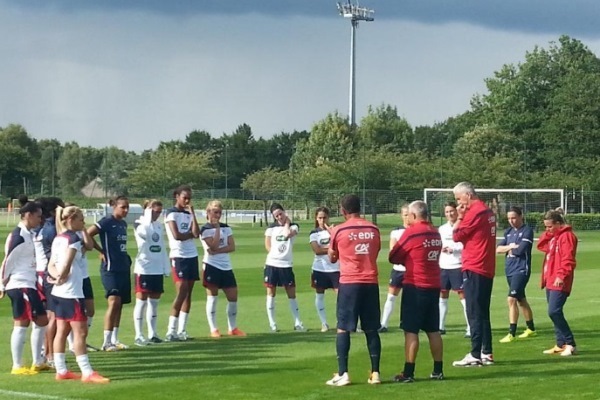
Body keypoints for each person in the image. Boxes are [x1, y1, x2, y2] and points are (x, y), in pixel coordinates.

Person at [325, 194, 382, 386]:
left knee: (343, 328)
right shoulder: (374, 228)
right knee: (371, 328)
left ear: (343, 210)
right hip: (370, 281)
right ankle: (375, 373)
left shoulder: (339, 230)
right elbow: (374, 252)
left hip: (349, 282)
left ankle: (343, 373)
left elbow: (332, 258)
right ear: (360, 208)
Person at [48, 205, 109, 383]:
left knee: (62, 331)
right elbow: (66, 263)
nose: (84, 223)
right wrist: (62, 276)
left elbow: (51, 264)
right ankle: (87, 372)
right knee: (80, 332)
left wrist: (56, 278)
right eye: (81, 220)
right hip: (71, 292)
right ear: (71, 220)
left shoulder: (58, 238)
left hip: (58, 292)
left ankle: (61, 370)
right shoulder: (73, 238)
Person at [389, 200, 444, 383]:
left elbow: (394, 255)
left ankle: (408, 372)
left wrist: (408, 259)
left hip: (415, 285)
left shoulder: (412, 232)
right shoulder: (435, 232)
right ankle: (438, 370)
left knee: (411, 330)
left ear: (413, 215)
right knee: (433, 329)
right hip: (434, 284)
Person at [451, 182, 496, 367]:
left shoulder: (474, 213)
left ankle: (475, 353)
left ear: (467, 195)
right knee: (483, 312)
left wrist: (460, 217)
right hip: (486, 267)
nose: (458, 203)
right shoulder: (487, 211)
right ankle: (487, 351)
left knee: (474, 311)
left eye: (458, 198)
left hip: (475, 266)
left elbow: (456, 235)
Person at [0, 201, 48, 375]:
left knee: (41, 320)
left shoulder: (29, 234)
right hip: (20, 285)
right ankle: (17, 365)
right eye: (38, 216)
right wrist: (1, 284)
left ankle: (37, 361)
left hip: (29, 284)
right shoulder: (19, 235)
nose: (40, 219)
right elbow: (7, 261)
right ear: (28, 215)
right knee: (22, 323)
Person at [88, 196, 131, 351]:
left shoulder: (123, 224)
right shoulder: (106, 222)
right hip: (110, 268)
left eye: (127, 207)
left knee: (120, 304)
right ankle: (106, 341)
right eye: (122, 207)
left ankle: (115, 338)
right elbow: (87, 234)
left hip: (123, 267)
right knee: (113, 301)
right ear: (114, 206)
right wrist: (101, 251)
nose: (125, 210)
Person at [200, 200, 245, 337]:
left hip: (226, 266)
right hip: (211, 266)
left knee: (233, 297)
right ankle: (214, 329)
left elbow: (232, 247)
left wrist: (218, 250)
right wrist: (217, 229)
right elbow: (212, 246)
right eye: (215, 212)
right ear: (208, 212)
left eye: (220, 212)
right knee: (212, 298)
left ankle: (232, 327)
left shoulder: (227, 228)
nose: (218, 215)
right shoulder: (205, 229)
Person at [538, 210, 578, 356]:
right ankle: (560, 343)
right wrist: (549, 233)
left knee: (554, 311)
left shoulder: (566, 237)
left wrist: (561, 276)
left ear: (558, 224)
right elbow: (542, 245)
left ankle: (570, 343)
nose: (547, 230)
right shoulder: (555, 237)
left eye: (549, 226)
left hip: (559, 280)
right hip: (550, 279)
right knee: (554, 312)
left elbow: (568, 260)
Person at [164, 186, 200, 341]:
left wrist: (192, 214)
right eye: (184, 197)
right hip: (179, 256)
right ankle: (170, 330)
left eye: (189, 198)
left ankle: (182, 330)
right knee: (181, 291)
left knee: (188, 293)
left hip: (192, 255)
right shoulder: (171, 213)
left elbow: (196, 233)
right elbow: (177, 235)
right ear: (177, 196)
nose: (187, 201)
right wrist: (189, 234)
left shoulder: (188, 213)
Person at [496, 206, 536, 343]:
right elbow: (498, 249)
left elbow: (521, 250)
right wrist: (510, 247)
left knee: (511, 299)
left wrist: (511, 249)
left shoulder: (527, 231)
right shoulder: (508, 232)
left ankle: (511, 333)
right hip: (510, 270)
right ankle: (531, 329)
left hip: (521, 270)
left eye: (513, 217)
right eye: (509, 218)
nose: (511, 221)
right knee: (521, 299)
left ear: (520, 216)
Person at [132, 200, 170, 346]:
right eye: (154, 211)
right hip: (144, 268)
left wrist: (165, 267)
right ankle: (139, 335)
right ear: (147, 210)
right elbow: (144, 235)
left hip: (156, 268)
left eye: (159, 212)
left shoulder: (159, 226)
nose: (157, 214)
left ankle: (153, 333)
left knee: (154, 303)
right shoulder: (139, 223)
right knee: (141, 302)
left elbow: (161, 247)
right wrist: (147, 215)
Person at [264, 203, 305, 332]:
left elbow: (287, 235)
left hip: (286, 265)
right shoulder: (271, 229)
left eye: (280, 214)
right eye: (276, 216)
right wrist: (276, 254)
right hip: (272, 264)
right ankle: (272, 324)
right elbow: (268, 246)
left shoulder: (294, 226)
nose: (279, 217)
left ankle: (298, 322)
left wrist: (287, 223)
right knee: (271, 293)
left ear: (284, 212)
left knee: (291, 293)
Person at [438, 202, 470, 337]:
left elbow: (467, 245)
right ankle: (440, 326)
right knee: (442, 296)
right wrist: (442, 248)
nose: (450, 214)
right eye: (447, 212)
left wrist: (454, 249)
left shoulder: (463, 226)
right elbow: (438, 243)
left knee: (463, 298)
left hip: (458, 265)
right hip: (444, 266)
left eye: (451, 211)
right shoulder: (442, 228)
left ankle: (470, 327)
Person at [309, 207, 340, 333]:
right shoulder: (314, 233)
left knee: (341, 296)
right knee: (320, 295)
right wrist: (331, 250)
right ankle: (324, 323)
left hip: (335, 269)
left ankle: (341, 322)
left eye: (324, 217)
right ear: (316, 219)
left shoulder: (334, 231)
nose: (322, 220)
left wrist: (332, 234)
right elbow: (317, 250)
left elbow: (341, 246)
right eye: (320, 218)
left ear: (328, 217)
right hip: (319, 269)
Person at [379, 204, 409, 333]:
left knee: (410, 299)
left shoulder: (416, 231)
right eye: (405, 214)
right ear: (401, 215)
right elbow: (393, 250)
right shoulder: (396, 231)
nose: (407, 217)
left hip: (411, 271)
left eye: (409, 214)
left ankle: (408, 323)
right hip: (398, 270)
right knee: (391, 296)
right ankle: (383, 323)